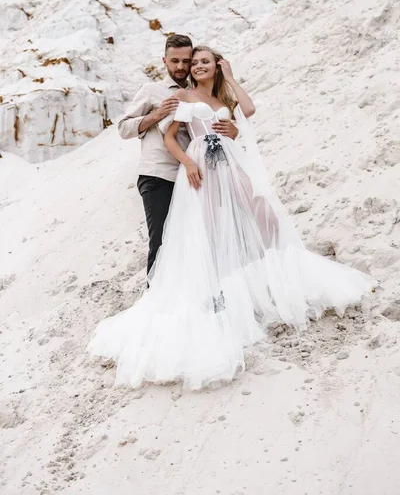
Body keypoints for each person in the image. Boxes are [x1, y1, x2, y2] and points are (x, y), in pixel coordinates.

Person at [88, 46, 375, 390]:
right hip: (201, 162)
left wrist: (231, 76)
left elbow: (248, 110)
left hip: (228, 159)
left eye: (204, 61)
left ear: (216, 66)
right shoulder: (182, 94)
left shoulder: (223, 94)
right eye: (194, 63)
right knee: (209, 227)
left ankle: (270, 276)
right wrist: (190, 163)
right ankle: (217, 296)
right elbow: (168, 137)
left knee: (260, 211)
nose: (196, 66)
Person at [118, 34, 238, 275]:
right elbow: (123, 128)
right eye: (175, 61)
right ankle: (155, 303)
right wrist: (157, 114)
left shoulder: (199, 93)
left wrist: (233, 130)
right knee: (162, 242)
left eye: (186, 61)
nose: (181, 67)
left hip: (196, 178)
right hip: (160, 175)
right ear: (165, 60)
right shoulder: (152, 89)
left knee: (195, 242)